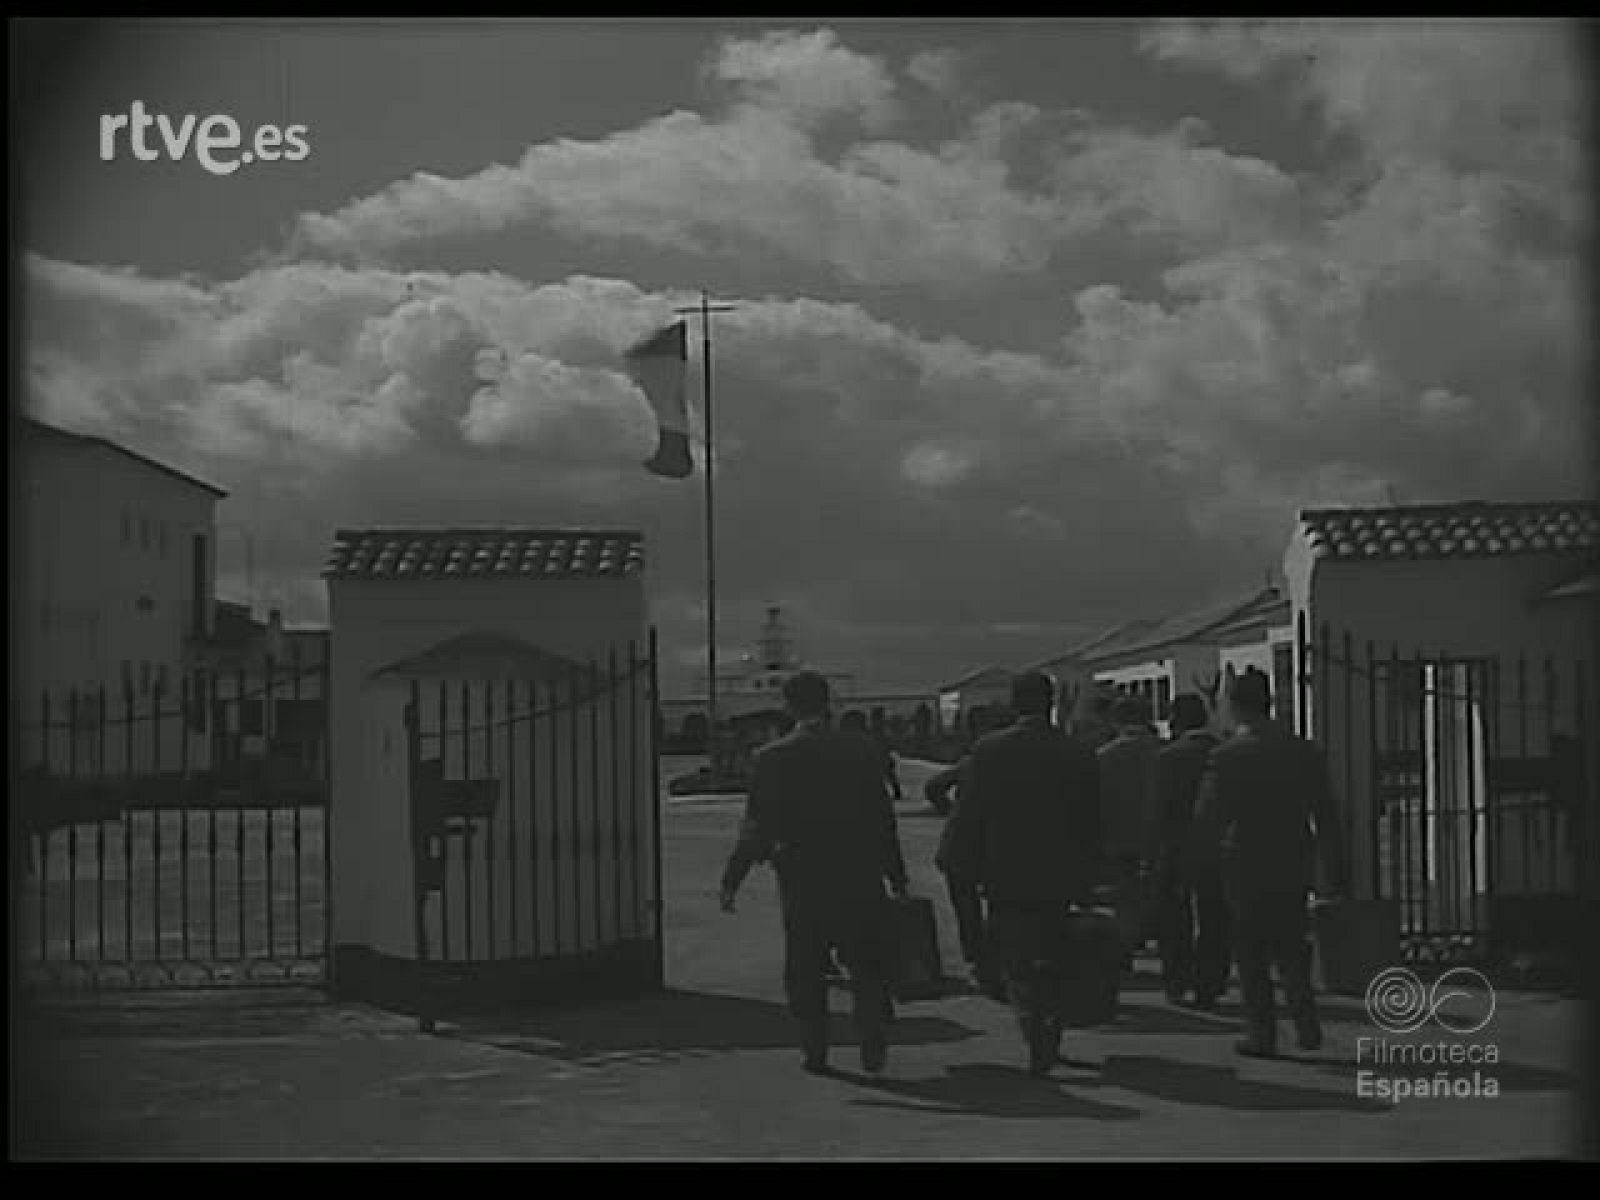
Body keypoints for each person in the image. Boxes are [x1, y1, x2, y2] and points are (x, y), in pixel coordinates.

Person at [719, 672, 910, 1076]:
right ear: (828, 702)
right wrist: (897, 874)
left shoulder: (772, 757)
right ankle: (872, 1032)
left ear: (789, 706)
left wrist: (733, 878)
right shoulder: (862, 750)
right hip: (859, 874)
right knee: (865, 962)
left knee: (805, 965)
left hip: (803, 879)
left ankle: (815, 1049)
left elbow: (758, 825)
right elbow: (882, 818)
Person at [943, 672, 1101, 1076]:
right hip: (1061, 874)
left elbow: (971, 811)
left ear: (1013, 705)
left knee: (1017, 958)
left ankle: (1035, 1029)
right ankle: (1051, 1029)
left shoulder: (990, 750)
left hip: (1006, 871)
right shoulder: (1077, 751)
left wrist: (956, 857)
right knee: (1055, 951)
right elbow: (1092, 818)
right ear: (1051, 704)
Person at [1196, 668, 1346, 1058]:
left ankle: (1261, 1033)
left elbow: (1211, 815)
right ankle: (1306, 1021)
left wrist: (1203, 858)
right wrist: (1333, 863)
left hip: (1244, 861)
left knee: (1250, 952)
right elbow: (1326, 812)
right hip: (1293, 856)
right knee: (1293, 945)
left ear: (1236, 707)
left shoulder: (1226, 756)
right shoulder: (1302, 750)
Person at [1154, 692, 1228, 1009]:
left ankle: (1177, 980)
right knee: (1216, 916)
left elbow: (1158, 811)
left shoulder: (1168, 757)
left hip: (1177, 846)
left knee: (1174, 917)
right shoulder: (1224, 752)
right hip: (1218, 847)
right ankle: (1210, 983)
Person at [1095, 694, 1162, 965]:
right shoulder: (1162, 749)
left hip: (1121, 834)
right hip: (1158, 832)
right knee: (1156, 889)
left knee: (1125, 893)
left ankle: (1127, 944)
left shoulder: (1105, 756)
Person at [928, 756, 997, 995]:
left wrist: (950, 811)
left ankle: (976, 958)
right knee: (1000, 899)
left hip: (962, 841)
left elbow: (933, 787)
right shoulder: (1026, 765)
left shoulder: (974, 761)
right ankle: (995, 956)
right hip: (999, 843)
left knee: (966, 904)